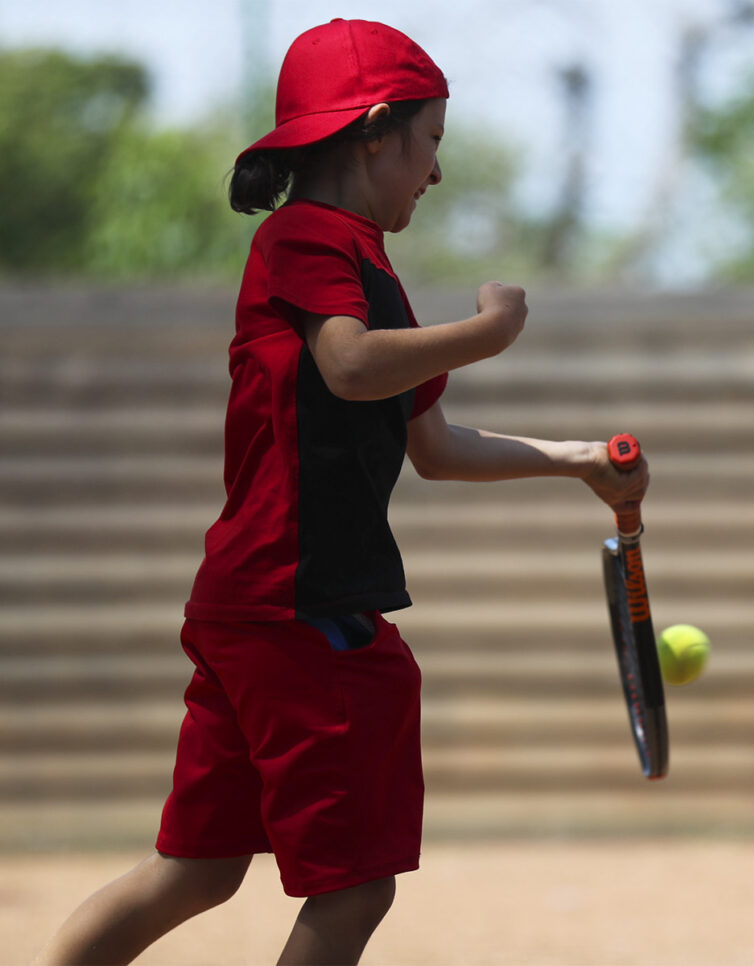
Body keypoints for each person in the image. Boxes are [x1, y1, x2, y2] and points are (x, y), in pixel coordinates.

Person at [33, 18, 649, 966]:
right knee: (353, 884)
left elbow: (434, 447)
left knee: (196, 870)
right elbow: (352, 367)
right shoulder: (309, 236)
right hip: (295, 604)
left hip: (254, 600)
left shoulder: (364, 268)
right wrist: (487, 331)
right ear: (374, 134)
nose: (435, 172)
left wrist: (574, 460)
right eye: (430, 142)